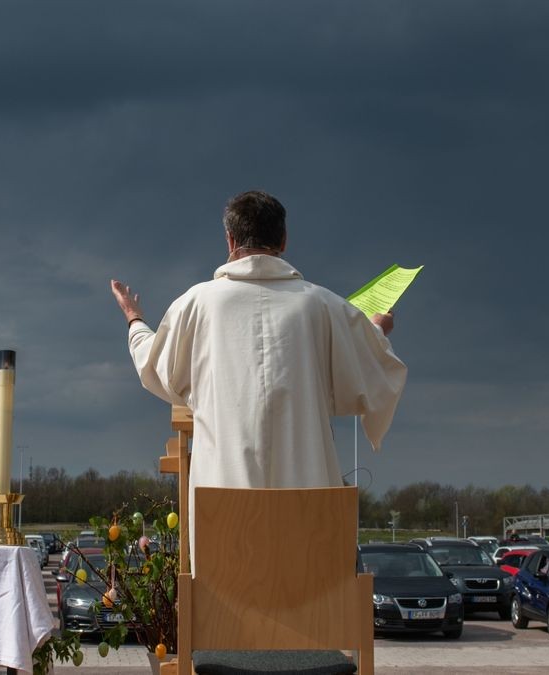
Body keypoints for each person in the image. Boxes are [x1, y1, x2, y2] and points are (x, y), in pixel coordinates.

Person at [110, 190, 407, 565]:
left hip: (222, 510)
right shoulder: (323, 305)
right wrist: (378, 329)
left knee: (226, 607)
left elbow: (157, 367)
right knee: (310, 602)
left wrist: (135, 320)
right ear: (283, 241)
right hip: (308, 502)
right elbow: (370, 367)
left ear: (230, 241)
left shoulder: (197, 304)